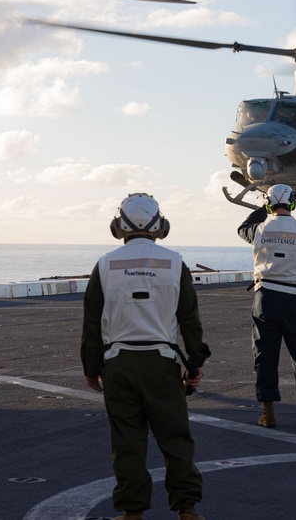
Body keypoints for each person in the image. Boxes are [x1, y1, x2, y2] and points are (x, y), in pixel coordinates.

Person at [81, 193, 212, 520]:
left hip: (119, 365)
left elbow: (92, 322)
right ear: (160, 226)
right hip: (162, 363)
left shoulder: (105, 264)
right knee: (176, 439)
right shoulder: (174, 263)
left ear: (118, 226)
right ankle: (187, 510)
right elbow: (189, 319)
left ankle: (132, 513)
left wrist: (90, 368)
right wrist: (195, 363)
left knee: (127, 443)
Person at [237, 184, 296, 429]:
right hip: (293, 301)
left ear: (269, 205)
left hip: (264, 298)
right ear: (293, 204)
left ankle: (268, 413)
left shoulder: (258, 229)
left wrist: (262, 207)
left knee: (265, 357)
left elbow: (242, 228)